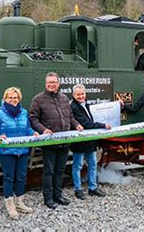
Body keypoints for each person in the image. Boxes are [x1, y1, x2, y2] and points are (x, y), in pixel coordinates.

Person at [29, 72, 84, 209]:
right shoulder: (38, 99)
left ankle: (58, 195)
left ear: (58, 84)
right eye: (49, 82)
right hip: (49, 142)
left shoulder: (64, 98)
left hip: (64, 141)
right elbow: (33, 119)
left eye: (54, 82)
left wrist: (76, 124)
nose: (52, 85)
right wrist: (43, 130)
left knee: (60, 170)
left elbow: (70, 117)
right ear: (45, 83)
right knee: (49, 171)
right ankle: (48, 199)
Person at [0, 87, 39, 219]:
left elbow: (27, 129)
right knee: (9, 177)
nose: (13, 100)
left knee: (22, 176)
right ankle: (10, 205)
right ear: (5, 99)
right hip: (6, 151)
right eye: (10, 97)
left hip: (22, 150)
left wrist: (32, 133)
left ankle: (19, 202)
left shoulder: (23, 112)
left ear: (19, 99)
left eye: (16, 98)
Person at [70, 84, 110, 200]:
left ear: (85, 94)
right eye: (78, 94)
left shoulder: (86, 105)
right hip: (79, 142)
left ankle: (93, 188)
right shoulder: (73, 107)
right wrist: (103, 125)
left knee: (92, 165)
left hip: (90, 142)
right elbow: (86, 124)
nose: (81, 96)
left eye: (82, 94)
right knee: (77, 166)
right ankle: (78, 190)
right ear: (73, 95)